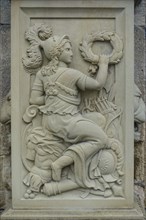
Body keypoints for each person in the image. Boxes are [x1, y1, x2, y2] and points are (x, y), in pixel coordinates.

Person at [30, 35, 110, 190]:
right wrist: (104, 64)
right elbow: (98, 84)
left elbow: (34, 99)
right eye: (67, 49)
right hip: (67, 122)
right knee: (102, 139)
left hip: (50, 122)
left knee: (98, 119)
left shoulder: (42, 74)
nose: (72, 53)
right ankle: (61, 163)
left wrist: (53, 98)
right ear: (57, 53)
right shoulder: (72, 74)